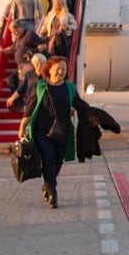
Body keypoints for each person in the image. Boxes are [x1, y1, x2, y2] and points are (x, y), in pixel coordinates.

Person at [19, 56, 92, 209]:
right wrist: (22, 126)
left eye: (63, 69)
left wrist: (93, 115)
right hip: (42, 132)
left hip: (62, 131)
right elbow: (30, 108)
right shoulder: (40, 86)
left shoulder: (69, 87)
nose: (60, 71)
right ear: (49, 69)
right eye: (58, 68)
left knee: (58, 161)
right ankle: (53, 193)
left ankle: (48, 185)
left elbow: (80, 105)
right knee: (49, 159)